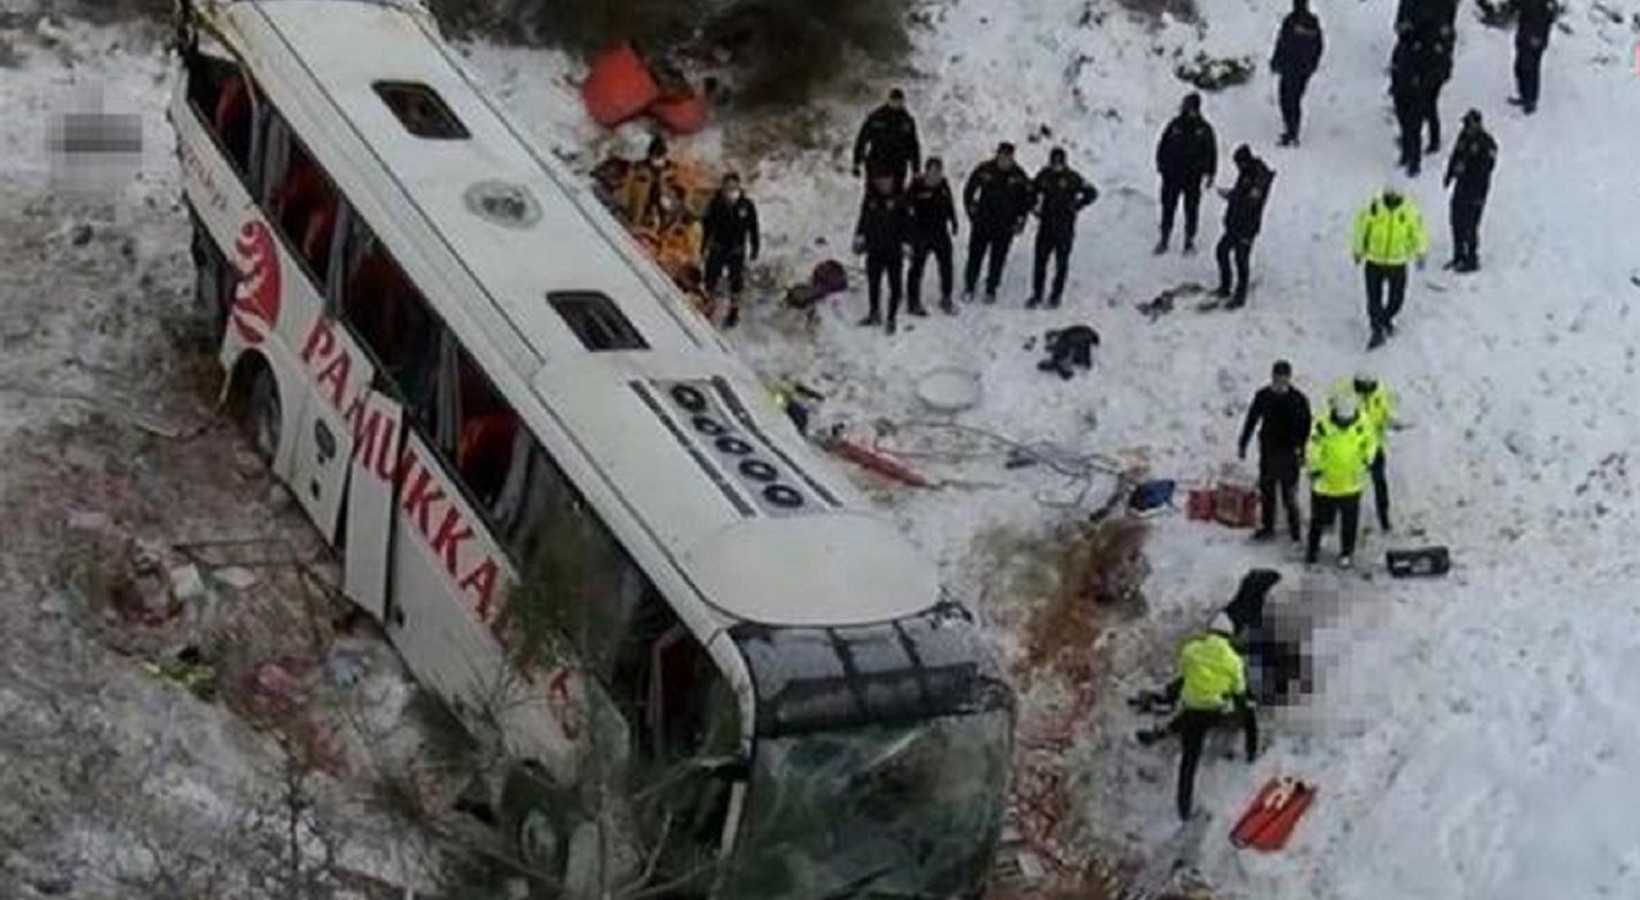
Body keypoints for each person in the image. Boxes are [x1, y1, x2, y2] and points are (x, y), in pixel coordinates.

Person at [1135, 612, 1259, 821]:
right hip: (1216, 713)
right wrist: (1242, 712)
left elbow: (1185, 673)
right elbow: (1239, 694)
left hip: (1192, 711)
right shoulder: (1234, 661)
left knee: (1189, 761)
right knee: (1243, 708)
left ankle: (1183, 810)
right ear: (1229, 637)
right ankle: (1249, 751)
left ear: (1209, 632)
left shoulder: (1191, 650)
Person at [1238, 360, 1312, 542]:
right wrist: (1243, 443)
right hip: (1268, 451)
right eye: (1277, 377)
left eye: (1283, 377)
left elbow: (1306, 427)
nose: (1280, 381)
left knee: (1289, 495)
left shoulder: (1298, 399)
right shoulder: (1263, 396)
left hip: (1289, 453)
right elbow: (1252, 419)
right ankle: (1267, 527)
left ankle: (1295, 533)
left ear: (1289, 378)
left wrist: (1302, 450)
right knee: (1267, 492)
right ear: (1272, 376)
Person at [1304, 388, 1377, 568]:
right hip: (1325, 484)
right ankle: (1312, 552)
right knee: (1318, 521)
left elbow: (1371, 442)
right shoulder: (1322, 424)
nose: (1345, 423)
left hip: (1350, 484)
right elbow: (1313, 446)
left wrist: (1366, 461)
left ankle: (1346, 552)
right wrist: (1315, 467)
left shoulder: (1363, 423)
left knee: (1349, 523)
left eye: (1347, 420)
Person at [1351, 184, 1428, 349]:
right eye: (1389, 193)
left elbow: (1418, 232)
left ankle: (1385, 318)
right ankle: (1376, 330)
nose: (1392, 196)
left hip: (1397, 262)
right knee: (1374, 299)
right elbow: (1361, 228)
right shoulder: (1373, 208)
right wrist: (1358, 250)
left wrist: (1420, 252)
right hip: (1374, 261)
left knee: (1396, 299)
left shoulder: (1409, 211)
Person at [962, 142, 1034, 304]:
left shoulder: (1018, 175)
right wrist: (971, 210)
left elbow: (1027, 200)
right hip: (982, 222)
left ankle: (991, 289)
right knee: (975, 256)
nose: (1004, 160)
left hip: (1004, 226)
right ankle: (969, 286)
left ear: (1012, 158)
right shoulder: (985, 169)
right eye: (1002, 156)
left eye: (1008, 157)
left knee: (998, 259)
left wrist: (1021, 220)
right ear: (997, 155)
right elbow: (969, 190)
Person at [1028, 147, 1099, 309]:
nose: (1056, 165)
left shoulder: (1072, 177)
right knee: (1040, 262)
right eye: (1054, 162)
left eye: (1059, 162)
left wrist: (1077, 205)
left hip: (1065, 227)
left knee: (1061, 264)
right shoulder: (1044, 175)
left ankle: (1055, 296)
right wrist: (1034, 207)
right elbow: (1031, 190)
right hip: (1045, 225)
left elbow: (1092, 192)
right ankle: (1037, 294)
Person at [1153, 93, 1218, 255]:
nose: (1186, 109)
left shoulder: (1204, 129)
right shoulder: (1175, 125)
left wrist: (1210, 173)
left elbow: (1211, 152)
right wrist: (1162, 166)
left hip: (1193, 177)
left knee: (1191, 210)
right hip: (1172, 176)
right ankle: (1164, 238)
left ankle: (1189, 241)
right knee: (1168, 208)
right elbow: (1162, 145)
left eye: (1189, 106)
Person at [1332, 371, 1397, 533]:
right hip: (1351, 448)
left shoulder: (1380, 394)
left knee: (1380, 483)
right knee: (1341, 484)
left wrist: (1391, 422)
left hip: (1374, 446)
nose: (1368, 389)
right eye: (1364, 385)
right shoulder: (1346, 394)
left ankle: (1384, 517)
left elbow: (1386, 414)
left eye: (1370, 385)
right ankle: (1332, 518)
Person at [1213, 145, 1276, 309]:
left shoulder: (1258, 177)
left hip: (1247, 226)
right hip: (1235, 223)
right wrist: (1231, 195)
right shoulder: (1247, 173)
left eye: (1238, 164)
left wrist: (1232, 197)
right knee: (1221, 251)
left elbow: (1250, 201)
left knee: (1241, 259)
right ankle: (1225, 287)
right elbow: (1241, 194)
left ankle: (1240, 296)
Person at [853, 173, 914, 334]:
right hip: (874, 248)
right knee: (874, 282)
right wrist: (859, 237)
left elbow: (908, 224)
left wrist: (907, 243)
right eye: (881, 180)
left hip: (893, 250)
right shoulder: (870, 200)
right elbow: (863, 220)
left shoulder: (900, 200)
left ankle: (891, 317)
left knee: (895, 285)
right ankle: (874, 312)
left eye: (887, 181)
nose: (884, 184)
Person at [701, 172, 761, 330]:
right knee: (711, 277)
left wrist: (755, 247)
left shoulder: (747, 205)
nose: (730, 191)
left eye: (734, 188)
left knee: (736, 282)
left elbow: (753, 228)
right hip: (718, 246)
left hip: (736, 250)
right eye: (728, 188)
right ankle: (709, 305)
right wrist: (703, 246)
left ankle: (733, 312)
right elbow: (707, 227)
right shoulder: (715, 203)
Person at [1443, 109, 1497, 273]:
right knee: (1456, 220)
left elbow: (1486, 169)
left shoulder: (1487, 143)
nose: (1466, 127)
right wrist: (1450, 174)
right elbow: (1456, 155)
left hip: (1476, 189)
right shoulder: (1463, 137)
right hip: (1461, 186)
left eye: (1469, 124)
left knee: (1471, 224)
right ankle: (1458, 254)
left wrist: (1466, 170)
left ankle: (1472, 258)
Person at [907, 157, 960, 315]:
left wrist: (954, 221)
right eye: (932, 172)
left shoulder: (943, 185)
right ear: (926, 171)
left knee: (946, 265)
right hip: (921, 233)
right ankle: (913, 301)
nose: (935, 176)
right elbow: (905, 208)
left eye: (938, 172)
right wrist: (908, 233)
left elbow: (950, 204)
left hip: (940, 232)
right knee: (917, 268)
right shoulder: (916, 185)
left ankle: (946, 297)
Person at [1270, 0, 1324, 147]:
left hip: (1295, 68)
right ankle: (1291, 129)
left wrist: (1277, 60)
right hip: (1295, 68)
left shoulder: (1297, 21)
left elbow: (1282, 42)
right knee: (1291, 99)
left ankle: (1292, 132)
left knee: (1289, 99)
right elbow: (1282, 42)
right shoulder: (1304, 22)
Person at [852, 88, 921, 192]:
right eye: (894, 100)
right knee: (873, 193)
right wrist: (856, 162)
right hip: (877, 161)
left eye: (899, 101)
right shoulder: (876, 117)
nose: (896, 103)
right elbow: (862, 140)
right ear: (888, 100)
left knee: (897, 195)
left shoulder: (907, 121)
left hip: (898, 163)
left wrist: (916, 169)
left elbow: (913, 146)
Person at [1389, 33, 1432, 176]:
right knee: (1404, 125)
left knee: (1414, 129)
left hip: (1416, 94)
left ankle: (1415, 162)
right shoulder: (1400, 48)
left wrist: (1420, 85)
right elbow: (1394, 66)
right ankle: (1405, 154)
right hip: (1401, 91)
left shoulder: (1421, 50)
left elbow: (1427, 72)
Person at [620, 135, 680, 230]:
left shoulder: (672, 173)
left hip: (659, 217)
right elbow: (625, 187)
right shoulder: (638, 168)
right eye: (654, 154)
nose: (656, 158)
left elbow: (677, 197)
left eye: (659, 155)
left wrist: (668, 201)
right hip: (636, 216)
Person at [1510, 0, 1558, 115]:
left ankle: (1531, 101)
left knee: (1530, 69)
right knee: (1520, 67)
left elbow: (1549, 16)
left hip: (1535, 37)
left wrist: (1538, 36)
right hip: (1524, 35)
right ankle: (1524, 96)